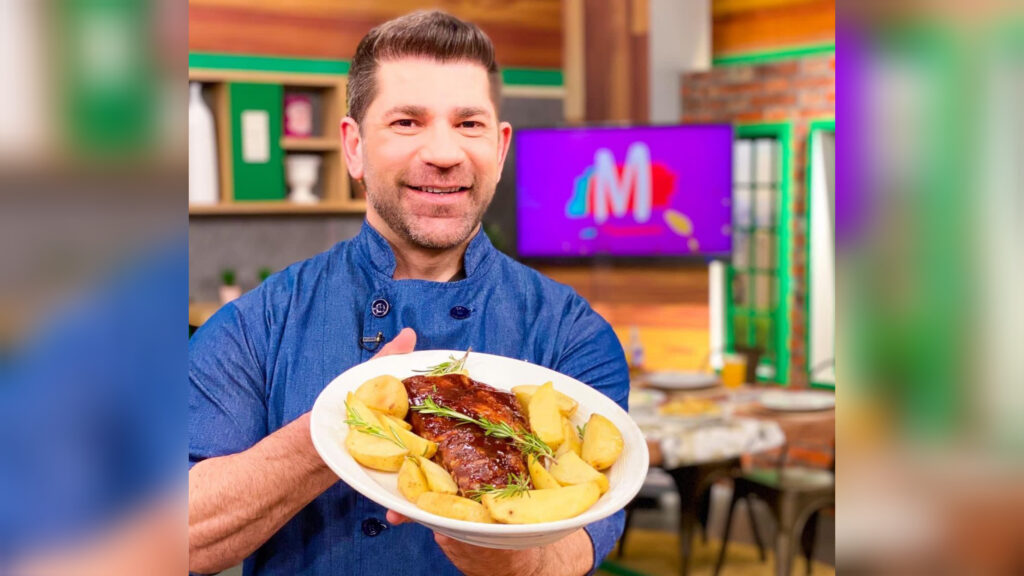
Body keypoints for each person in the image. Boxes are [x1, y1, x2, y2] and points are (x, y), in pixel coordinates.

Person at [189, 10, 629, 576]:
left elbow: (589, 534)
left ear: (499, 149)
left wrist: (503, 555)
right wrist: (340, 425)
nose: (444, 153)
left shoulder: (573, 332)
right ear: (353, 147)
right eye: (406, 122)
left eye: (468, 123)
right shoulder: (259, 324)